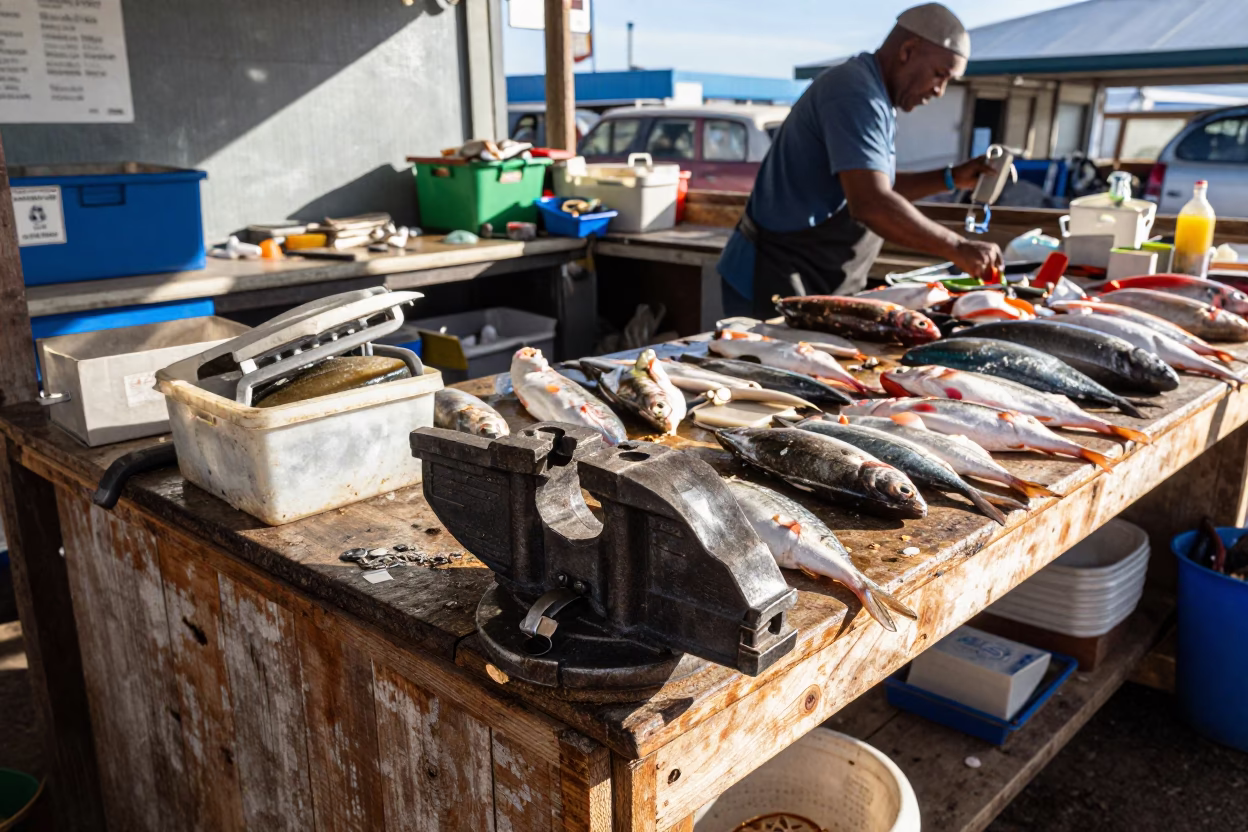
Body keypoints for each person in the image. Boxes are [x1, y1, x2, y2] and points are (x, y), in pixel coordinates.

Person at [717, 2, 1005, 318]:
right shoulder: (855, 92)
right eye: (940, 75)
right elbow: (871, 203)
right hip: (774, 273)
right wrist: (957, 248)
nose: (939, 91)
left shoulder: (877, 97)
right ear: (908, 51)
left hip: (812, 275)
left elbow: (876, 185)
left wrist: (951, 178)